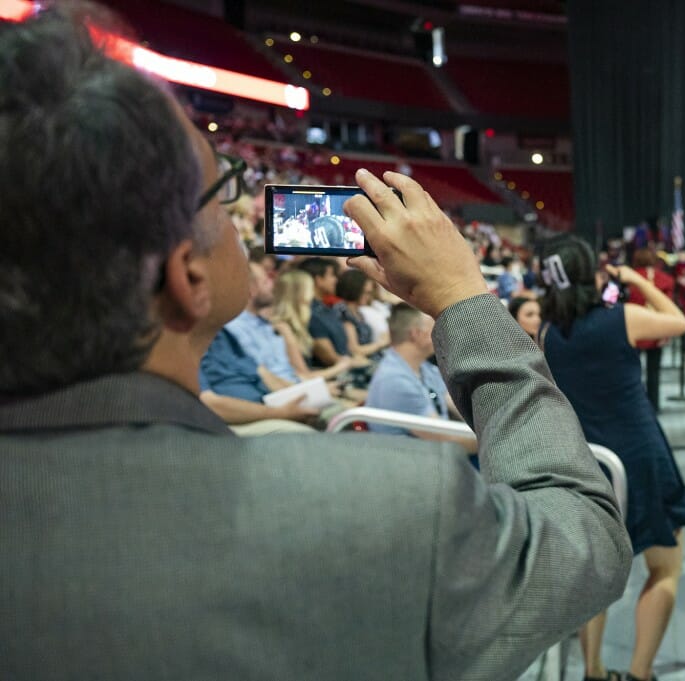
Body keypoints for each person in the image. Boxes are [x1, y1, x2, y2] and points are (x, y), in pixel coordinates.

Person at [0, 7, 632, 680]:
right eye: (224, 189)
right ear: (186, 277)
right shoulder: (392, 511)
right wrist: (463, 301)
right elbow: (586, 536)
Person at [538, 235, 685, 681]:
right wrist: (636, 280)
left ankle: (593, 671)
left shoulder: (547, 332)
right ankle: (641, 673)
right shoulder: (621, 318)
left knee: (596, 576)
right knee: (665, 568)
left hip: (588, 462)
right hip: (641, 457)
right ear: (595, 274)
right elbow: (678, 322)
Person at [365, 304, 476, 452]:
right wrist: (494, 441)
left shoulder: (423, 368)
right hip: (412, 465)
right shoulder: (396, 382)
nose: (440, 335)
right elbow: (449, 441)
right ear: (416, 334)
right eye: (434, 329)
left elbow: (453, 402)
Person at [628, 248, 675, 411]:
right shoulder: (666, 279)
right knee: (654, 372)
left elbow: (613, 302)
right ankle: (654, 406)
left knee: (633, 372)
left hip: (633, 331)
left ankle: (636, 405)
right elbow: (668, 309)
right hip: (657, 330)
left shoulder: (629, 278)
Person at [335, 268, 390, 361]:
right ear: (355, 290)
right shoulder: (343, 312)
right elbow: (354, 349)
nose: (368, 297)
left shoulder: (358, 312)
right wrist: (382, 343)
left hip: (371, 359)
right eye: (366, 293)